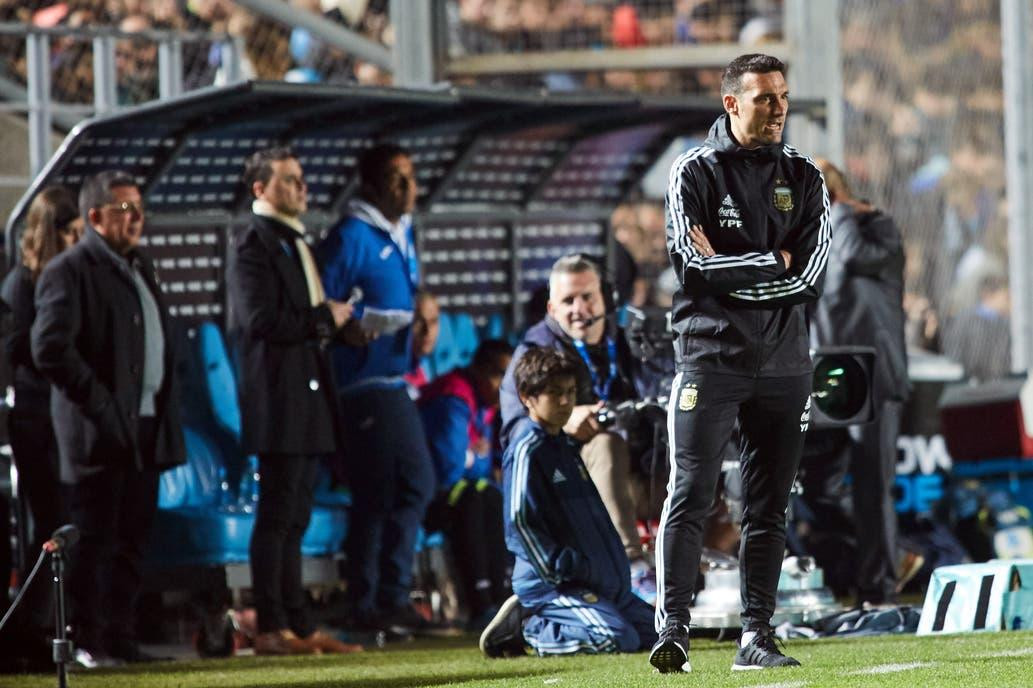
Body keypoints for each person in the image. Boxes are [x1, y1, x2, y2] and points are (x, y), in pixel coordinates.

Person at [650, 53, 830, 673]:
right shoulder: (691, 172)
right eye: (764, 98)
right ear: (732, 104)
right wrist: (768, 262)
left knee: (769, 505)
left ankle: (757, 634)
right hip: (708, 358)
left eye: (783, 96)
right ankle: (674, 628)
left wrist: (736, 271)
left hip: (785, 366)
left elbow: (808, 278)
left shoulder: (806, 176)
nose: (779, 108)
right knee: (692, 491)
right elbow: (690, 269)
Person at [31, 170, 186, 666]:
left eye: (139, 208)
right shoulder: (71, 270)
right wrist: (100, 402)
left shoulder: (138, 264)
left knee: (132, 540)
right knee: (94, 541)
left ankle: (120, 637)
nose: (136, 218)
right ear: (94, 217)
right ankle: (84, 640)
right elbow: (49, 347)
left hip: (143, 427)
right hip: (98, 434)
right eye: (124, 209)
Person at [228, 147, 362, 656]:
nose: (302, 189)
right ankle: (272, 625)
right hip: (278, 397)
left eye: (302, 179)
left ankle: (299, 625)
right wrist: (323, 319)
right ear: (259, 189)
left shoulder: (297, 239)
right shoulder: (253, 244)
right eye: (289, 180)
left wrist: (342, 327)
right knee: (278, 513)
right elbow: (260, 320)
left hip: (309, 393)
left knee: (298, 513)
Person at [317, 143, 435, 632]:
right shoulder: (350, 237)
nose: (408, 188)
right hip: (362, 382)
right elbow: (322, 303)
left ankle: (389, 596)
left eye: (411, 177)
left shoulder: (402, 232)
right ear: (369, 184)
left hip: (395, 378)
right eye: (395, 178)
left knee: (411, 484)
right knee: (384, 490)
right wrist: (350, 324)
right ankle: (369, 601)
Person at [480, 347, 656, 658]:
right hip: (558, 586)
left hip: (599, 582)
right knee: (615, 639)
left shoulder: (564, 444)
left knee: (654, 635)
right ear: (526, 397)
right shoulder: (527, 448)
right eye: (554, 393)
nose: (565, 401)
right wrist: (559, 569)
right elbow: (520, 523)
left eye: (571, 391)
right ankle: (528, 627)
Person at [499, 255, 650, 584]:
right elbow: (513, 430)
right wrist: (560, 421)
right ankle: (632, 569)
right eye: (568, 301)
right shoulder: (534, 353)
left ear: (606, 299)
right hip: (565, 481)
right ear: (552, 309)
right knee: (606, 446)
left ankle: (708, 567)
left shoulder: (630, 342)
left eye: (587, 297)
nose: (579, 309)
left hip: (640, 467)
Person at [807, 158, 909, 607]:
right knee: (816, 488)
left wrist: (842, 208)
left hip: (873, 372)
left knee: (872, 485)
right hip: (826, 374)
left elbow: (852, 257)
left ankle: (879, 590)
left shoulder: (874, 229)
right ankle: (892, 552)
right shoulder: (810, 239)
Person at [0, 186, 82, 670]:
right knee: (50, 523)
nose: (75, 242)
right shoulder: (22, 285)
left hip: (59, 419)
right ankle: (28, 628)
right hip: (36, 420)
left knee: (62, 524)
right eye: (68, 233)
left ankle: (40, 627)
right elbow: (20, 353)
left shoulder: (60, 280)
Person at [418, 338, 514, 630]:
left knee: (493, 495)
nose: (505, 386)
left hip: (462, 493)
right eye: (499, 376)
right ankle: (480, 603)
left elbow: (482, 461)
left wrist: (473, 457)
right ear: (479, 371)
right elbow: (449, 467)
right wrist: (473, 458)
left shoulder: (486, 401)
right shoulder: (453, 397)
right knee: (473, 498)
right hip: (428, 498)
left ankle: (501, 599)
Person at [942, 274, 1011, 382]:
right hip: (970, 382)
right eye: (1007, 297)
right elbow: (956, 354)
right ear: (988, 295)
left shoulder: (1006, 323)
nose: (1011, 303)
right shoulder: (965, 320)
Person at [404, 290, 441, 391]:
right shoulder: (392, 376)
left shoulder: (421, 368)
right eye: (419, 321)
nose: (427, 330)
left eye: (433, 321)